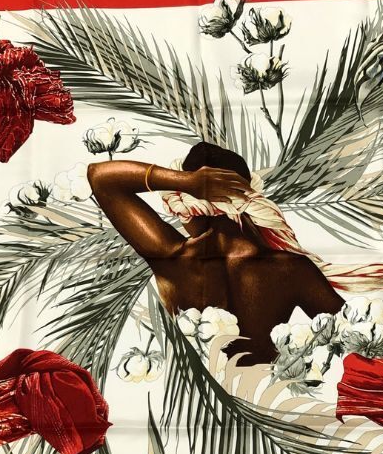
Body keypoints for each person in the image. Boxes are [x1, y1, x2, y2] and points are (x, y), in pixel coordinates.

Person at [88, 142, 344, 364]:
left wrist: (186, 182)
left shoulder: (171, 258)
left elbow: (100, 177)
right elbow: (357, 337)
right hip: (261, 398)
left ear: (188, 205)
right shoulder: (292, 269)